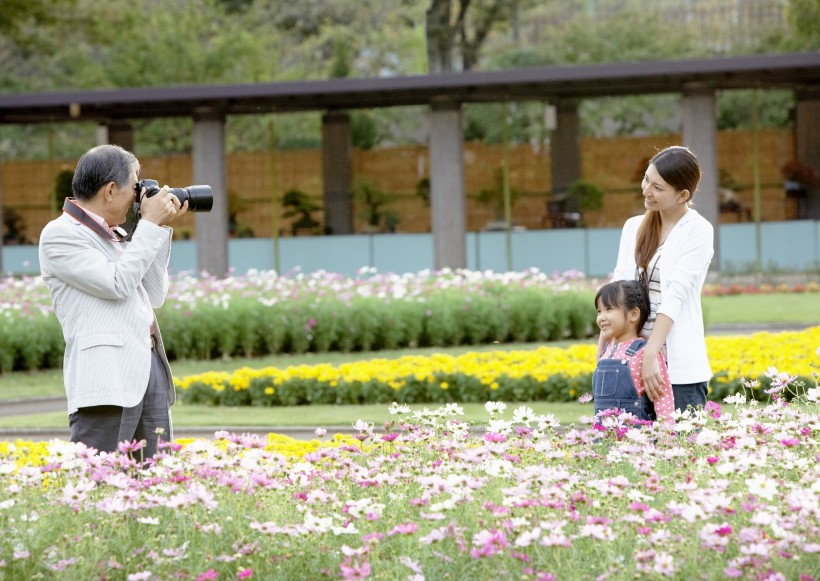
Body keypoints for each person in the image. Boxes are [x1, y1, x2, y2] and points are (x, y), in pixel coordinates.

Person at [39, 144, 188, 460]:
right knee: (100, 480)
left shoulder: (116, 233)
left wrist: (157, 225)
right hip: (106, 375)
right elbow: (117, 284)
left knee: (156, 478)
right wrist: (147, 225)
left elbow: (154, 292)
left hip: (148, 365)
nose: (139, 196)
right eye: (135, 186)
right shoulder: (61, 234)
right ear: (110, 190)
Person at [605, 145, 714, 413]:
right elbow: (618, 291)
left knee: (681, 451)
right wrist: (604, 350)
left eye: (658, 187)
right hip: (629, 362)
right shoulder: (633, 227)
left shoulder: (697, 230)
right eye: (646, 179)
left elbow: (675, 295)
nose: (646, 190)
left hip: (678, 370)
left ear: (683, 195)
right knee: (628, 450)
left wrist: (651, 354)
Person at [593, 280, 674, 421]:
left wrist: (665, 436)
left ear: (634, 314)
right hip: (605, 438)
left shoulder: (643, 352)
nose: (601, 317)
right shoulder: (606, 352)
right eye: (599, 311)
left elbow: (663, 401)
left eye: (609, 309)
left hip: (636, 438)